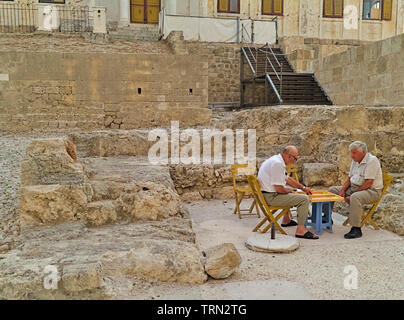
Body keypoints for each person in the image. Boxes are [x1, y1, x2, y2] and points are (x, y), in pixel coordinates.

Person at [257, 146, 319, 239]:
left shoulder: (277, 160)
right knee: (304, 199)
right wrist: (291, 191)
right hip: (270, 197)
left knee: (291, 191)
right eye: (295, 158)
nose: (295, 161)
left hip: (268, 194)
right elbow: (279, 189)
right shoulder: (277, 164)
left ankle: (286, 220)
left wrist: (303, 188)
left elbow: (287, 179)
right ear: (290, 156)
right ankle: (301, 230)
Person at [328, 141, 383, 239]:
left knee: (355, 197)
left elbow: (368, 182)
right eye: (351, 153)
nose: (351, 155)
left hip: (371, 191)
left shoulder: (372, 161)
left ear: (363, 152)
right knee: (332, 190)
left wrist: (353, 193)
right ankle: (327, 218)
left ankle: (356, 229)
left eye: (354, 153)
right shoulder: (355, 160)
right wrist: (343, 190)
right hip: (355, 187)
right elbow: (349, 178)